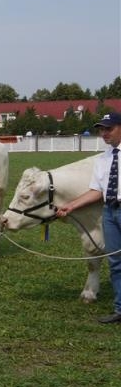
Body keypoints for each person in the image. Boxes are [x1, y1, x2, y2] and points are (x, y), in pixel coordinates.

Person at [56, 111, 121, 324]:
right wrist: (70, 206)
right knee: (115, 261)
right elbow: (96, 190)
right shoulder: (104, 159)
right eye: (101, 129)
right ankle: (120, 309)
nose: (104, 133)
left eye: (109, 128)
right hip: (110, 212)